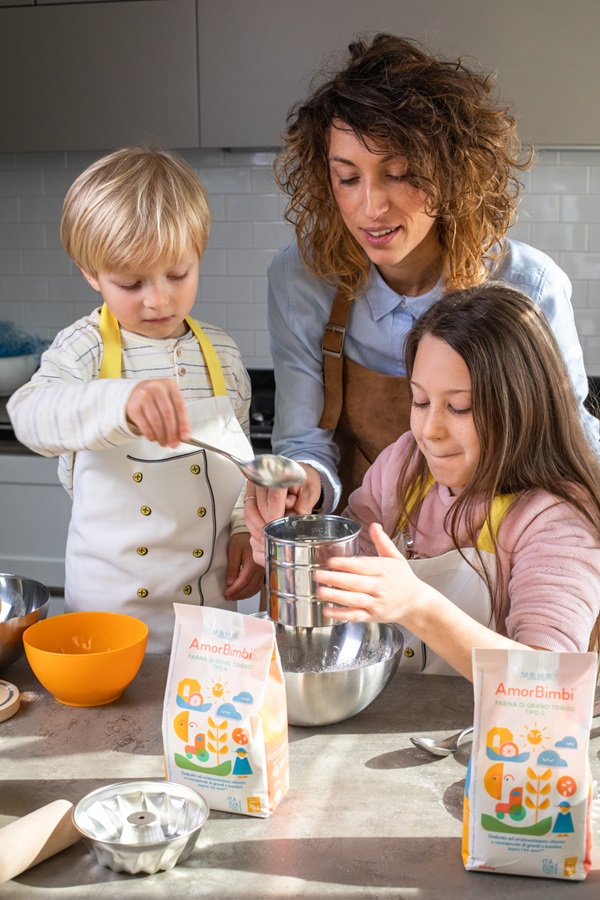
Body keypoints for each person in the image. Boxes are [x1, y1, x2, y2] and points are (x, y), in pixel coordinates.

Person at [248, 32, 598, 529]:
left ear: (452, 173)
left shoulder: (528, 285)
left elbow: (572, 443)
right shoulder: (300, 279)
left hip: (492, 548)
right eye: (348, 178)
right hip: (364, 540)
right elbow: (304, 443)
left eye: (399, 173)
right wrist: (296, 480)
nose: (371, 207)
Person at [8, 148, 264, 652]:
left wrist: (242, 529)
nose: (158, 299)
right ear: (91, 273)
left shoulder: (221, 354)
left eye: (178, 274)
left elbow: (241, 460)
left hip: (209, 611)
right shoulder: (84, 348)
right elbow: (28, 416)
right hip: (110, 616)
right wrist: (119, 404)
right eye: (131, 282)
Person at [300, 284, 599, 680]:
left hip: (490, 720)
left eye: (459, 407)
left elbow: (549, 678)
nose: (430, 431)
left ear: (521, 407)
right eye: (420, 401)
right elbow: (343, 580)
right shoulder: (404, 466)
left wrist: (419, 607)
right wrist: (289, 548)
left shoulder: (556, 520)